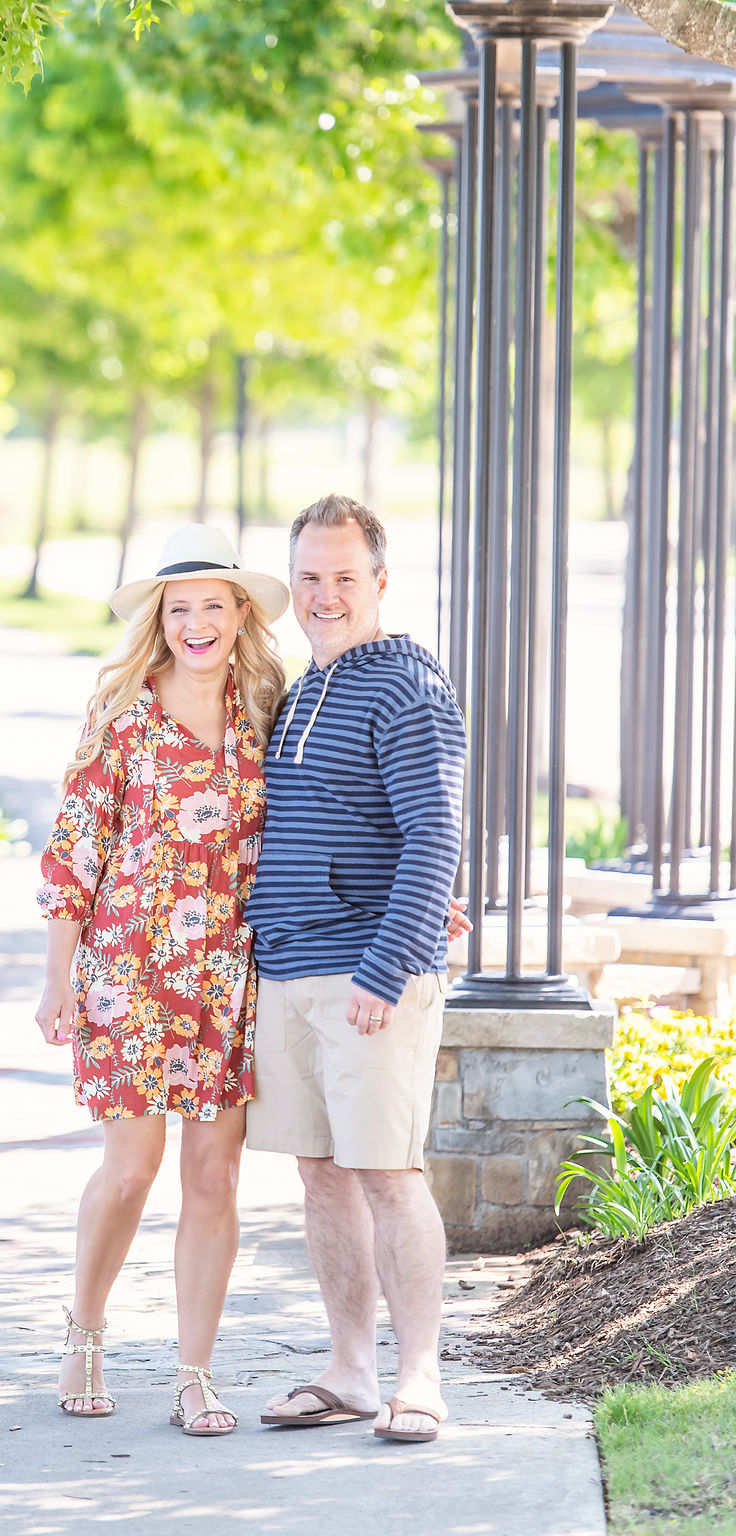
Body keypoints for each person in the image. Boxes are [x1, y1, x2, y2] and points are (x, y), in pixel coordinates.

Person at [34, 524, 288, 1437]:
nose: (194, 624)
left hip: (227, 977)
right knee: (133, 1169)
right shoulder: (123, 721)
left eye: (211, 606)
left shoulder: (269, 714)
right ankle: (87, 1331)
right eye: (177, 609)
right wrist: (57, 977)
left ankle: (194, 1373)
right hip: (129, 975)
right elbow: (75, 855)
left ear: (240, 614)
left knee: (215, 1179)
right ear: (160, 622)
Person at [243, 493, 467, 1444]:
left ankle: (421, 1377)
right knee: (322, 1173)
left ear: (381, 582)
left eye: (343, 577)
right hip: (288, 972)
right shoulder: (304, 688)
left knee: (386, 1171)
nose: (324, 594)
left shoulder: (405, 685)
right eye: (309, 578)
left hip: (370, 977)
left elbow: (433, 834)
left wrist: (387, 965)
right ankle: (351, 1370)